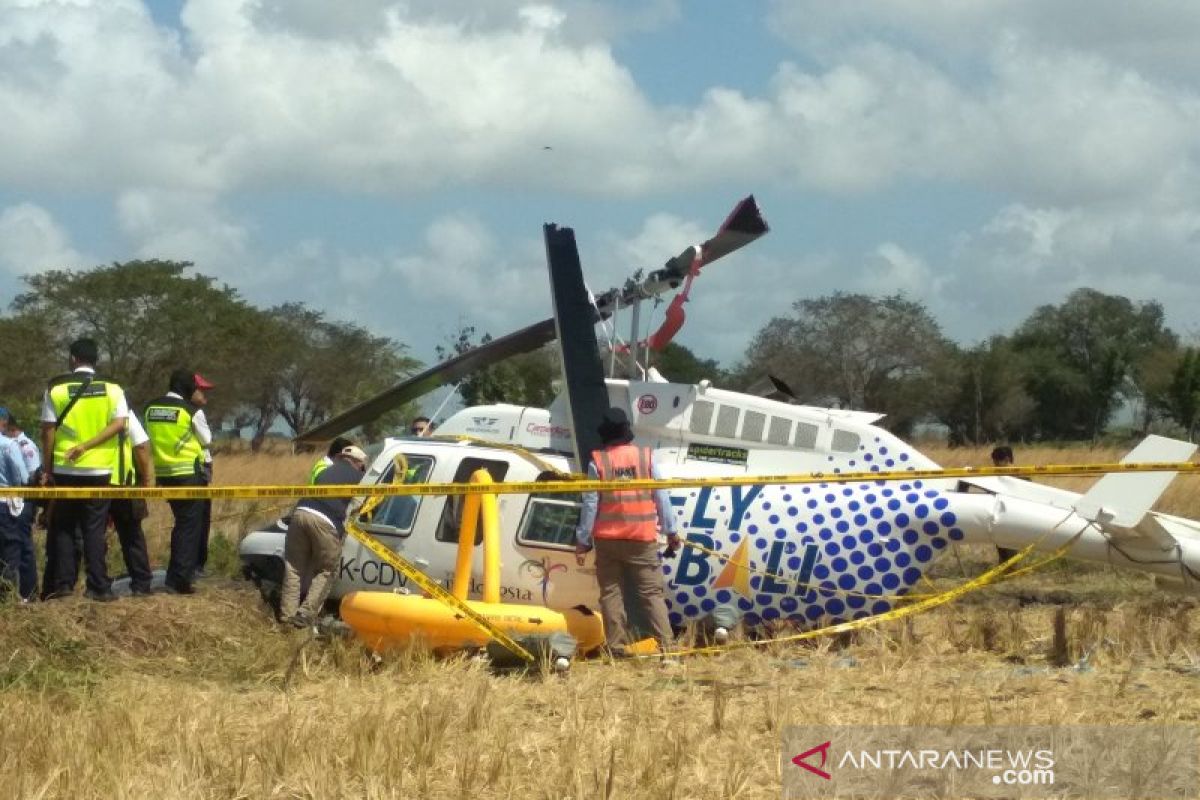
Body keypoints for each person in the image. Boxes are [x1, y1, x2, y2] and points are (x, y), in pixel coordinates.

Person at [574, 407, 681, 655]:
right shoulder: (646, 458)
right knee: (651, 594)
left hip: (607, 540)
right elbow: (661, 496)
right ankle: (668, 648)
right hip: (641, 539)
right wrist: (671, 531)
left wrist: (583, 540)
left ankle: (616, 649)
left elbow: (590, 504)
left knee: (611, 594)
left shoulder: (598, 461)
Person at [40, 337, 129, 602]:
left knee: (64, 527)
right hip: (100, 469)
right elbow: (120, 423)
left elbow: (47, 431)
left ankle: (65, 586)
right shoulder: (113, 388)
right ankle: (98, 586)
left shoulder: (55, 388)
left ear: (73, 359)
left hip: (65, 468)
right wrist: (88, 446)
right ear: (95, 360)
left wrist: (49, 469)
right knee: (94, 527)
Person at [279, 444, 368, 628]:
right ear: (358, 463)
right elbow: (360, 507)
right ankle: (305, 615)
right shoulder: (360, 477)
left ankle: (287, 616)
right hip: (325, 521)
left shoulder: (324, 471)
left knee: (294, 568)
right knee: (327, 570)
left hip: (300, 513)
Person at [144, 369, 211, 594]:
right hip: (189, 475)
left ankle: (176, 574)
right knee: (188, 526)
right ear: (186, 388)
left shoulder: (150, 408)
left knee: (181, 524)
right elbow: (207, 440)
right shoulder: (191, 411)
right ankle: (179, 580)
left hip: (164, 474)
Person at [107, 409, 155, 596]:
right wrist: (146, 480)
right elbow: (141, 445)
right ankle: (141, 584)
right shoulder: (122, 410)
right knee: (131, 535)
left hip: (89, 482)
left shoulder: (83, 409)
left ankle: (97, 585)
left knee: (90, 536)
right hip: (123, 483)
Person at [2, 411, 41, 600]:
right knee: (14, 548)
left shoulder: (25, 446)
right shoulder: (8, 445)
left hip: (21, 502)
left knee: (22, 546)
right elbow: (22, 476)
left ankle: (29, 593)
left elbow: (32, 475)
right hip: (12, 500)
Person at [0, 426, 30, 600]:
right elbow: (21, 476)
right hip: (5, 504)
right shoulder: (8, 445)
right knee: (10, 552)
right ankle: (7, 598)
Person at [191, 373, 215, 577]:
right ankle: (198, 564)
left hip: (180, 469)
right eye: (202, 390)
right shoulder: (195, 413)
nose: (206, 395)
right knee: (200, 518)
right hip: (198, 468)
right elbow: (207, 439)